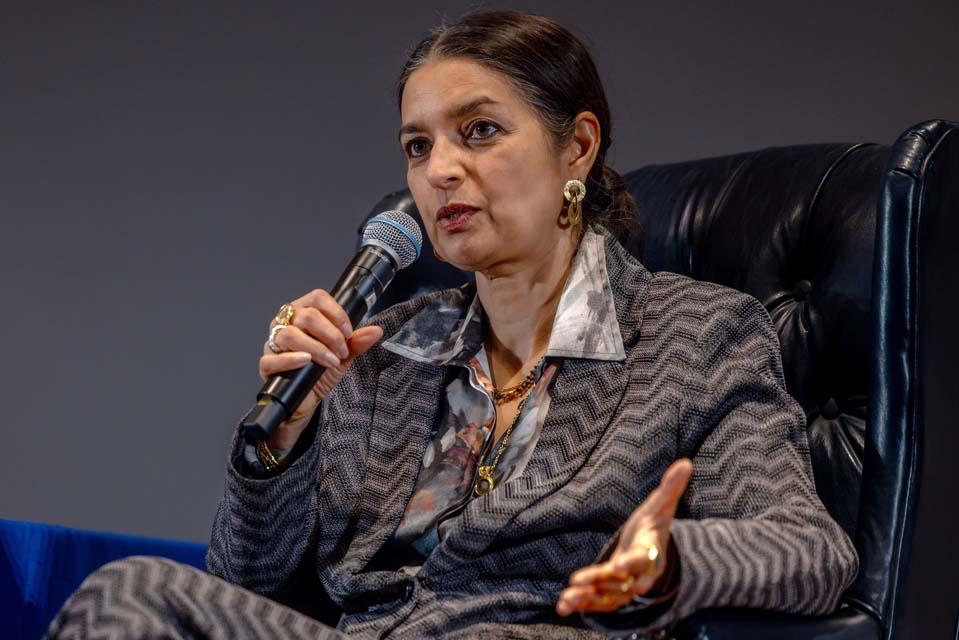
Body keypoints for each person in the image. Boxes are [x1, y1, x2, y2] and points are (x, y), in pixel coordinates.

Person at [46, 10, 858, 639]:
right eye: (416, 145)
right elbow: (248, 586)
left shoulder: (695, 334)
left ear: (576, 146)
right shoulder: (386, 345)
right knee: (134, 595)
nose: (438, 170)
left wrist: (671, 557)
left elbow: (810, 552)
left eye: (479, 132)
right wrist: (283, 437)